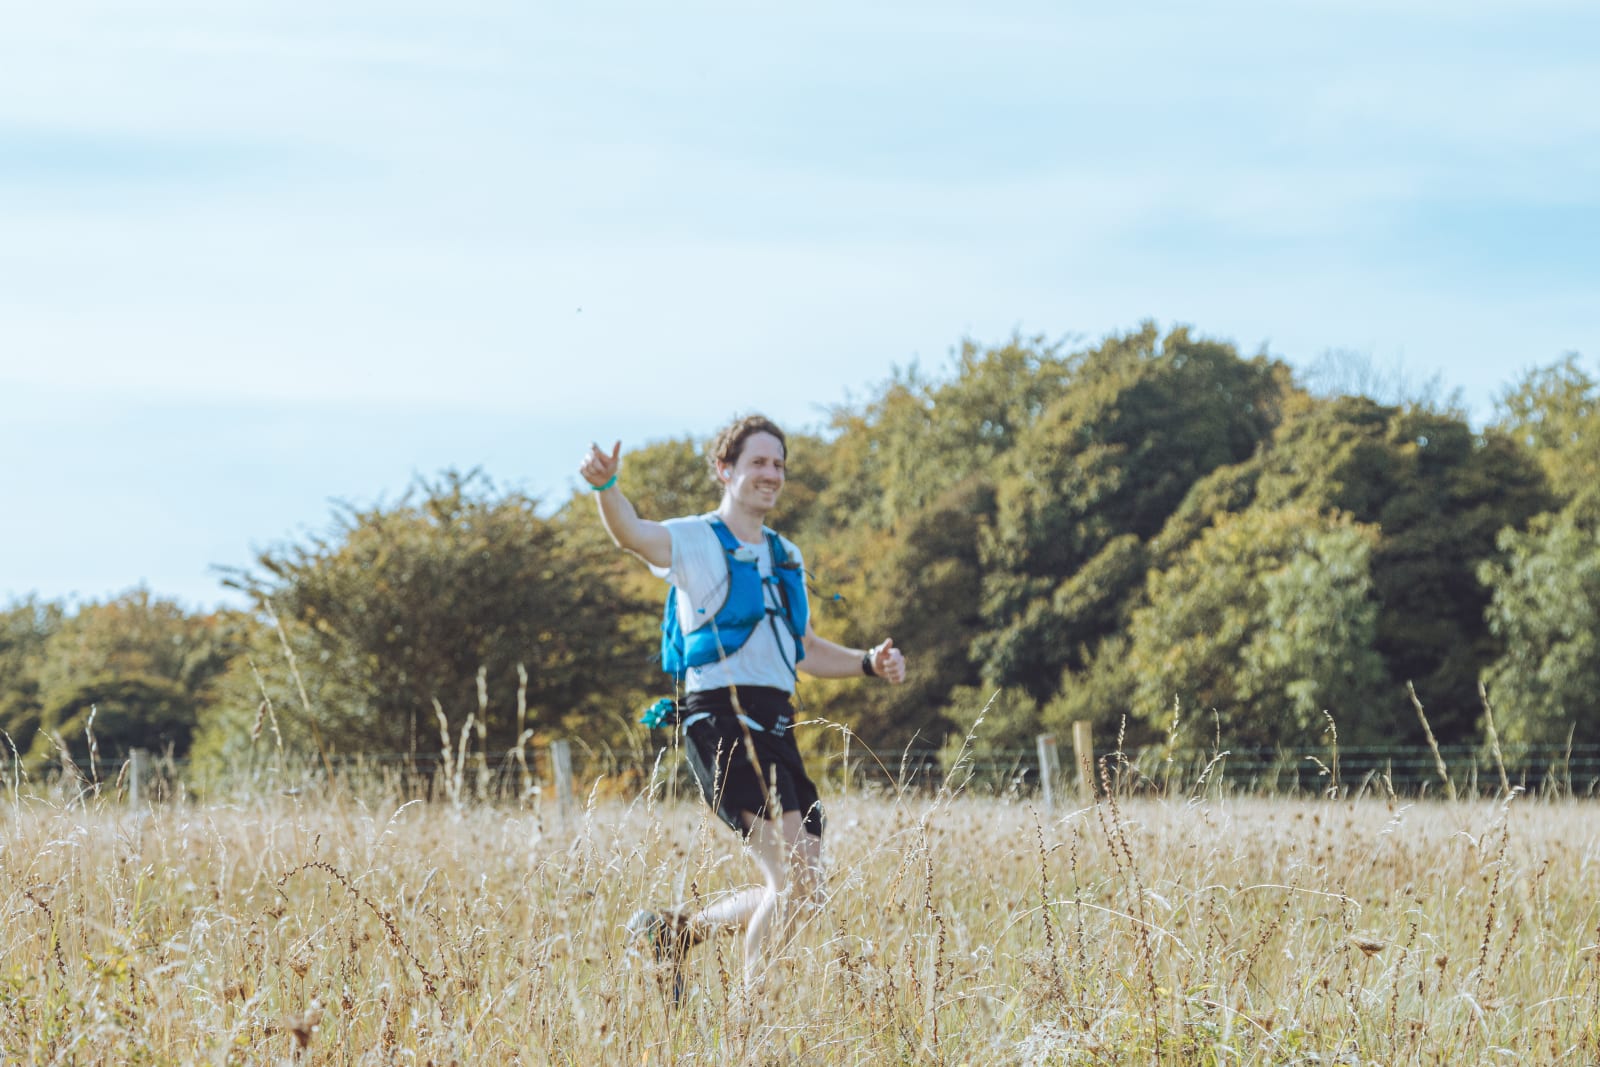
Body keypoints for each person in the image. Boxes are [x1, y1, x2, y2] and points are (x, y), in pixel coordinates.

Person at [579, 414, 907, 991]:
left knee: (804, 890)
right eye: (758, 462)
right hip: (720, 722)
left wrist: (865, 662)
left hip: (777, 725)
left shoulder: (786, 555)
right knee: (795, 886)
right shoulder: (694, 539)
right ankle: (751, 1032)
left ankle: (672, 934)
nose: (771, 474)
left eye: (779, 464)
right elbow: (630, 533)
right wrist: (608, 487)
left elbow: (801, 648)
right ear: (725, 470)